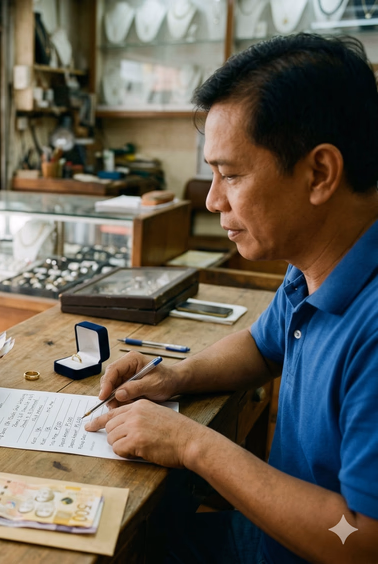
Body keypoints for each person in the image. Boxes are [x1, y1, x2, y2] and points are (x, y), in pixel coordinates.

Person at [85, 33, 378, 564]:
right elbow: (263, 347)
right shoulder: (314, 261)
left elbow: (360, 538)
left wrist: (192, 444)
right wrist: (178, 375)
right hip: (264, 537)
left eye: (232, 175)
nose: (214, 199)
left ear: (320, 174)